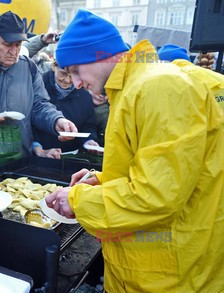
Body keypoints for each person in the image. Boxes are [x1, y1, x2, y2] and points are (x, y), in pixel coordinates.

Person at [46, 9, 224, 292]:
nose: (77, 83)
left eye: (76, 70)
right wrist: (101, 181)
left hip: (171, 277)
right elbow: (156, 171)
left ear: (97, 54)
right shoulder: (135, 89)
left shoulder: (158, 87)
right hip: (149, 269)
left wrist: (80, 200)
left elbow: (159, 195)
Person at [0, 11, 77, 161]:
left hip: (20, 157)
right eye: (7, 45)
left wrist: (57, 120)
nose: (14, 52)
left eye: (18, 45)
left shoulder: (29, 67)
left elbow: (40, 105)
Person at [34, 60, 100, 156]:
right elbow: (29, 123)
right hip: (40, 155)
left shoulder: (85, 97)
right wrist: (37, 148)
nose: (67, 80)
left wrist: (88, 141)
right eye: (63, 74)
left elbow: (88, 126)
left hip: (72, 155)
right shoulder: (38, 87)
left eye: (73, 76)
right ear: (53, 66)